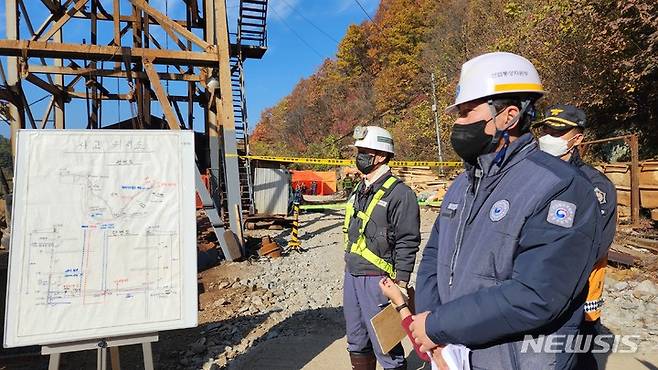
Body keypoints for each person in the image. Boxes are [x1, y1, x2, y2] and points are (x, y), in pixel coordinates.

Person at [412, 52, 600, 370]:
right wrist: (435, 336)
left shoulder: (559, 186)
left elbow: (535, 295)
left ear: (508, 116)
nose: (458, 124)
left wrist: (437, 326)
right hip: (450, 355)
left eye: (467, 113)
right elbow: (433, 259)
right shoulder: (461, 185)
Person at [535, 104, 617, 369]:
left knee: (576, 358)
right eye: (546, 129)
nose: (548, 136)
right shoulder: (528, 176)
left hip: (577, 295)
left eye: (558, 132)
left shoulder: (595, 186)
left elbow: (595, 245)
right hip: (531, 293)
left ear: (577, 138)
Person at [343, 125, 421, 370]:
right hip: (353, 274)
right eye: (359, 151)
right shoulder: (360, 188)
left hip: (379, 280)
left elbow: (408, 240)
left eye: (366, 151)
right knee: (356, 340)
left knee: (385, 342)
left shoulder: (400, 194)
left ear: (382, 155)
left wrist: (401, 283)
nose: (360, 156)